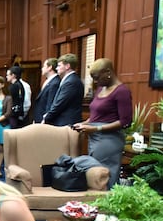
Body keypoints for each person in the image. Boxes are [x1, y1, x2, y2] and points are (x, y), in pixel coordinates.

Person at [72, 59, 132, 188]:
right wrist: (84, 123)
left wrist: (96, 128)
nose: (95, 82)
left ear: (108, 72)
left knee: (105, 177)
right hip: (95, 138)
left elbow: (125, 122)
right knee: (95, 175)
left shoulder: (122, 91)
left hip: (109, 140)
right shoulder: (100, 89)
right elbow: (96, 115)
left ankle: (107, 205)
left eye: (97, 78)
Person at [42, 53, 84, 126]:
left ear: (67, 66)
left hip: (66, 123)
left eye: (59, 65)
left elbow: (60, 104)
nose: (57, 68)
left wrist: (46, 118)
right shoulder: (69, 80)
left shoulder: (71, 82)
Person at [32, 58, 60, 124]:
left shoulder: (55, 83)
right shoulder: (49, 81)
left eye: (44, 66)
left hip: (44, 121)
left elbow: (50, 105)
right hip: (39, 119)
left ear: (50, 67)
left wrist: (45, 120)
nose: (42, 68)